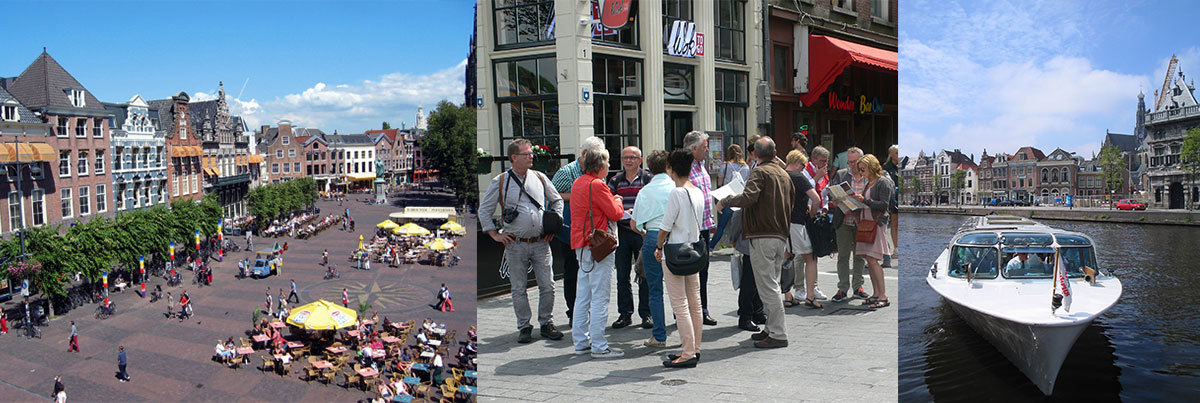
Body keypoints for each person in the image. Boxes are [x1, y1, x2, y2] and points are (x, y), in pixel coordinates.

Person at [478, 138, 566, 344]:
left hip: (541, 242)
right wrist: (494, 234)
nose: (531, 156)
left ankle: (546, 323)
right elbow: (484, 210)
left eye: (531, 153)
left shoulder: (540, 177)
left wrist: (556, 222)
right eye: (526, 154)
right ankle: (524, 327)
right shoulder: (500, 181)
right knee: (519, 288)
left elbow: (557, 200)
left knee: (548, 285)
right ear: (514, 158)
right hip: (515, 244)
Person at [717, 137, 794, 349]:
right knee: (773, 284)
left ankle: (778, 333)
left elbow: (748, 198)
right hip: (779, 235)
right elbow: (791, 204)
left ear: (756, 154)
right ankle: (770, 328)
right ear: (775, 151)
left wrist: (726, 200)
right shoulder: (784, 174)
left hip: (763, 235)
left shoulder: (760, 171)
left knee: (767, 287)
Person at [654, 149, 708, 368]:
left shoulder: (677, 193)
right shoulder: (696, 191)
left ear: (671, 169)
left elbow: (665, 226)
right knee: (695, 302)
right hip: (694, 249)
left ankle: (687, 352)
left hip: (675, 252)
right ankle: (695, 348)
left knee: (680, 304)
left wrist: (658, 247)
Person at [569, 147, 625, 358]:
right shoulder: (597, 185)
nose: (610, 167)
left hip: (581, 243)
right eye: (608, 163)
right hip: (598, 244)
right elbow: (616, 213)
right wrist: (618, 199)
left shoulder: (578, 182)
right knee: (600, 295)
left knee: (583, 293)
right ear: (600, 166)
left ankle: (581, 341)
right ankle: (600, 346)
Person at [551, 136, 605, 327]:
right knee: (572, 272)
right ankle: (573, 312)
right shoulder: (566, 172)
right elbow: (551, 195)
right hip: (570, 231)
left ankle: (586, 311)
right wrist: (577, 195)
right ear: (584, 154)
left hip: (592, 232)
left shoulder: (596, 171)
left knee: (589, 273)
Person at [607, 145, 653, 330]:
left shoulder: (648, 178)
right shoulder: (616, 179)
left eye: (632, 158)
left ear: (640, 160)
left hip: (642, 232)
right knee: (622, 275)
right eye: (625, 157)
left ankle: (646, 313)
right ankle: (625, 314)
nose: (628, 161)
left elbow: (653, 201)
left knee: (644, 274)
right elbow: (608, 201)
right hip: (623, 232)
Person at [631, 150, 673, 348]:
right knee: (681, 290)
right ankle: (688, 335)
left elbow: (634, 224)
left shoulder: (645, 191)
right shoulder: (676, 187)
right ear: (668, 166)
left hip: (652, 236)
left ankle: (659, 336)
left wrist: (644, 233)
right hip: (675, 238)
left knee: (655, 289)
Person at [683, 131, 718, 326]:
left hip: (704, 227)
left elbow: (705, 195)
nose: (708, 150)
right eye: (705, 147)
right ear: (694, 148)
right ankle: (687, 310)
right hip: (689, 229)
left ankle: (702, 309)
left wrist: (711, 220)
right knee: (689, 270)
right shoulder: (684, 168)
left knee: (703, 271)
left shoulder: (702, 166)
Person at [783, 150, 823, 309]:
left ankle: (787, 295)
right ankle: (811, 296)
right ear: (798, 163)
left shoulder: (780, 176)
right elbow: (816, 199)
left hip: (781, 223)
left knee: (786, 257)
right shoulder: (799, 177)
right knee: (810, 258)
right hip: (798, 222)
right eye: (804, 165)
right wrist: (812, 214)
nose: (804, 168)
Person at [853, 155, 893, 309]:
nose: (861, 172)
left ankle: (883, 295)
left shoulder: (883, 182)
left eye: (863, 169)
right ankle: (876, 294)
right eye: (859, 169)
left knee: (873, 260)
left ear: (871, 167)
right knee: (870, 260)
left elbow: (884, 205)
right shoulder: (869, 182)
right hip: (867, 223)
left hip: (876, 223)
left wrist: (864, 201)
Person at [829, 147, 869, 303]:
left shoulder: (868, 176)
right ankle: (842, 288)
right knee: (843, 256)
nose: (852, 165)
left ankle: (858, 287)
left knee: (860, 256)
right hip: (844, 220)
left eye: (855, 162)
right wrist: (836, 199)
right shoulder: (841, 174)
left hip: (862, 221)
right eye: (849, 162)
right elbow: (833, 195)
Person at [707, 143, 750, 250]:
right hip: (740, 198)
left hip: (727, 199)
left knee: (721, 226)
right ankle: (739, 246)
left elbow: (720, 182)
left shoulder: (724, 166)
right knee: (740, 225)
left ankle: (711, 246)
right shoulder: (746, 167)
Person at [882, 145, 901, 267]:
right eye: (897, 152)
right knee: (894, 223)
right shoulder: (887, 168)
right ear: (891, 154)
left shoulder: (902, 165)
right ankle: (896, 247)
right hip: (894, 198)